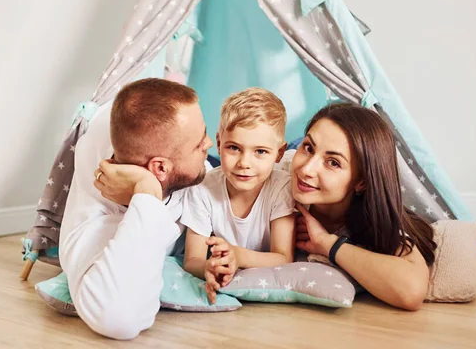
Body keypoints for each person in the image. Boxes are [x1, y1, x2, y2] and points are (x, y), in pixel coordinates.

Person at [59, 78, 213, 340]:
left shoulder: (132, 122)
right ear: (159, 168)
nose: (209, 142)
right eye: (199, 144)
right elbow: (117, 319)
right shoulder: (94, 226)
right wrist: (146, 191)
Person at [290, 103, 436, 311]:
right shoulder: (275, 178)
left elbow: (411, 291)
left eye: (333, 162)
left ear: (361, 182)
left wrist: (328, 244)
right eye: (308, 148)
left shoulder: (370, 219)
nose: (306, 170)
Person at [181, 88, 296, 304]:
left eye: (260, 151)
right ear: (219, 142)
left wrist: (237, 255)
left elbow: (284, 257)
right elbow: (192, 260)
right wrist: (209, 267)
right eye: (234, 148)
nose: (244, 163)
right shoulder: (202, 189)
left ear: (278, 153)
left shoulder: (282, 187)